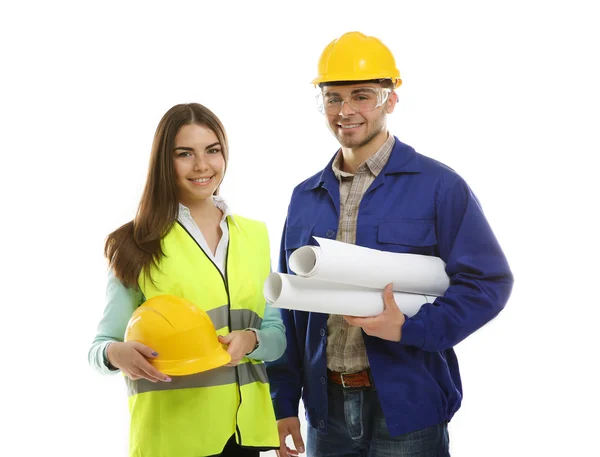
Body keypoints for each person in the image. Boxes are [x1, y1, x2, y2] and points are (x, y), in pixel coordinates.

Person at [265, 31, 514, 457]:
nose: (345, 111)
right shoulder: (304, 196)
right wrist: (283, 400)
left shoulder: (438, 187)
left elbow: (487, 283)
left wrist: (411, 328)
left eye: (361, 96)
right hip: (326, 413)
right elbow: (290, 306)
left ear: (390, 99)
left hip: (408, 407)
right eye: (332, 98)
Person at [88, 103, 285, 457]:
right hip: (171, 440)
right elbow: (100, 347)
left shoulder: (255, 237)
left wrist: (253, 340)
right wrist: (116, 354)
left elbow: (277, 335)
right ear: (165, 161)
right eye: (185, 154)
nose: (202, 166)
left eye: (212, 150)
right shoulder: (135, 243)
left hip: (243, 436)